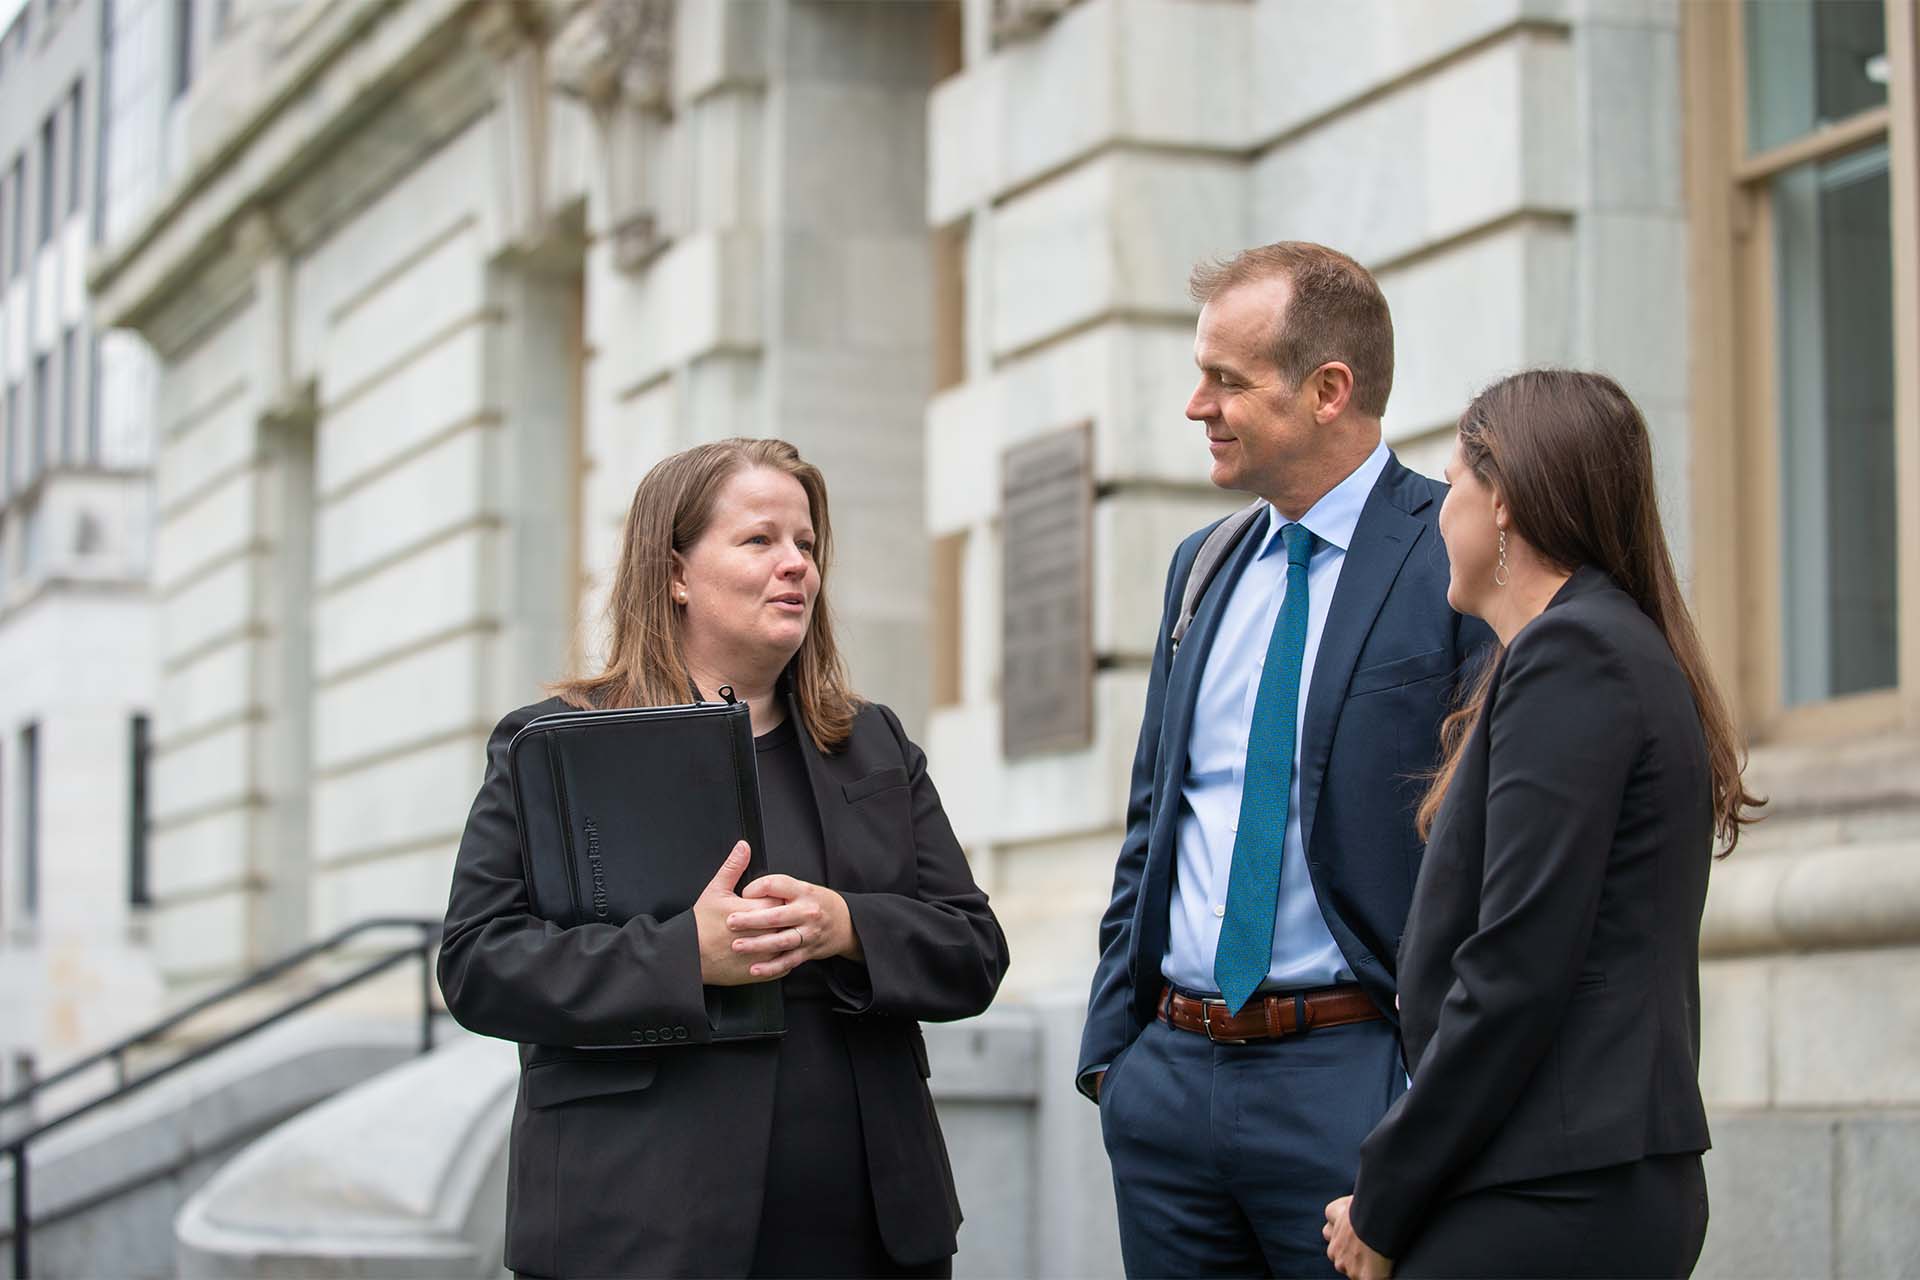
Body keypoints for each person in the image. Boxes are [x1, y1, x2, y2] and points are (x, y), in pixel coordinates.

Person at [438, 438, 1009, 1279]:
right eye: (760, 542)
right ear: (674, 573)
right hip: (637, 1230)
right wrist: (683, 956)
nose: (796, 567)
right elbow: (478, 964)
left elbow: (974, 950)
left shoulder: (873, 743)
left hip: (866, 1231)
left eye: (806, 545)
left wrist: (848, 926)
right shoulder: (555, 743)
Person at [1078, 241, 1493, 1277]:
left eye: (1226, 379)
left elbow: (1488, 839)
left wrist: (1417, 1087)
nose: (1195, 404)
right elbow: (1154, 820)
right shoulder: (1200, 566)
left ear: (1328, 391)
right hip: (1169, 1086)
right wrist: (1115, 1061)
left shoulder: (1452, 552)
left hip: (1351, 1081)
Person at [1323, 370, 1762, 1279]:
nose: (1440, 512)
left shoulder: (1575, 653)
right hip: (1561, 1173)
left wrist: (1386, 1192)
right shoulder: (1601, 647)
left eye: (1454, 485)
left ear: (1506, 504)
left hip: (1556, 1188)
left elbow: (1516, 963)